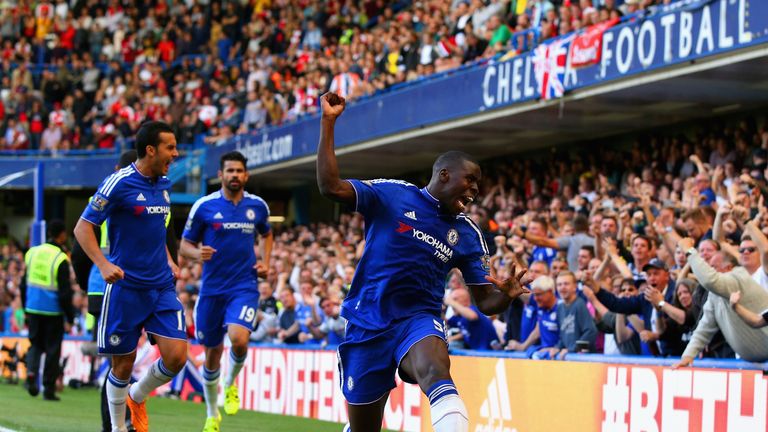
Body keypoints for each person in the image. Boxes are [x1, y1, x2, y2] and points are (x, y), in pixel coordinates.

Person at [316, 92, 529, 432]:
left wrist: (505, 294)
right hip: (367, 321)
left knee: (436, 370)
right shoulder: (393, 194)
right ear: (444, 174)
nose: (474, 189)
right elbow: (330, 187)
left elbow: (486, 301)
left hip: (418, 319)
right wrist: (328, 123)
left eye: (477, 184)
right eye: (469, 179)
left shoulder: (468, 234)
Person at [73, 121, 186, 432]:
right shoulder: (118, 183)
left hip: (161, 286)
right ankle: (118, 429)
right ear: (150, 150)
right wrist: (102, 264)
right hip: (125, 288)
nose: (175, 154)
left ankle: (138, 395)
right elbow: (82, 228)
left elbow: (158, 226)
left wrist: (168, 258)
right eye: (170, 148)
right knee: (122, 365)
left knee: (177, 357)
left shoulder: (164, 183)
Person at [179, 150, 273, 432]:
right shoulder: (204, 207)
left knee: (239, 339)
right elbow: (184, 245)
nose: (234, 175)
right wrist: (197, 255)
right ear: (220, 175)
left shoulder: (257, 206)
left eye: (239, 171)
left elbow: (267, 234)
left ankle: (230, 383)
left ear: (246, 175)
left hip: (244, 286)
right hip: (211, 291)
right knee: (212, 354)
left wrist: (265, 262)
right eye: (229, 171)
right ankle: (211, 413)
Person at [673, 240, 768, 366]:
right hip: (750, 362)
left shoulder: (737, 277)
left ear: (728, 268)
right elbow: (704, 326)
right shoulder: (715, 294)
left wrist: (689, 251)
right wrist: (688, 355)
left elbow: (709, 280)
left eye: (713, 268)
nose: (710, 271)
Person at [20, 219, 74, 401]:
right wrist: (70, 316)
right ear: (61, 235)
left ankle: (31, 375)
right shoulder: (60, 258)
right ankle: (48, 389)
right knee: (52, 350)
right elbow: (65, 292)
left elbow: (22, 283)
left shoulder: (32, 253)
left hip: (33, 307)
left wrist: (25, 307)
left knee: (35, 344)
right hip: (53, 311)